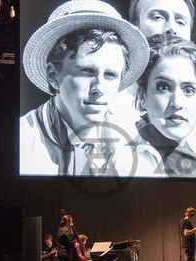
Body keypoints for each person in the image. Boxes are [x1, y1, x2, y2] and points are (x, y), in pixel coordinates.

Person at [20, 0, 149, 176]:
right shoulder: (22, 142)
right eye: (87, 71)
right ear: (53, 75)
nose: (99, 88)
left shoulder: (137, 139)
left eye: (110, 75)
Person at [131, 34, 196, 177]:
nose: (177, 102)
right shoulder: (127, 163)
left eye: (188, 90)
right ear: (142, 96)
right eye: (163, 87)